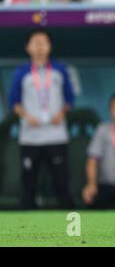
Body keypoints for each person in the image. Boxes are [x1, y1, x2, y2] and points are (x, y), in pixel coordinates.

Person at [9, 29, 75, 209]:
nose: (39, 47)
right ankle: (26, 225)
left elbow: (70, 99)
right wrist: (27, 116)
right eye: (35, 43)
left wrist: (62, 113)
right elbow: (14, 102)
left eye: (43, 42)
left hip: (56, 135)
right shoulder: (21, 72)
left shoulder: (60, 70)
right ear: (27, 47)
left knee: (61, 183)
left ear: (50, 46)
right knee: (29, 184)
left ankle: (70, 222)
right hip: (30, 137)